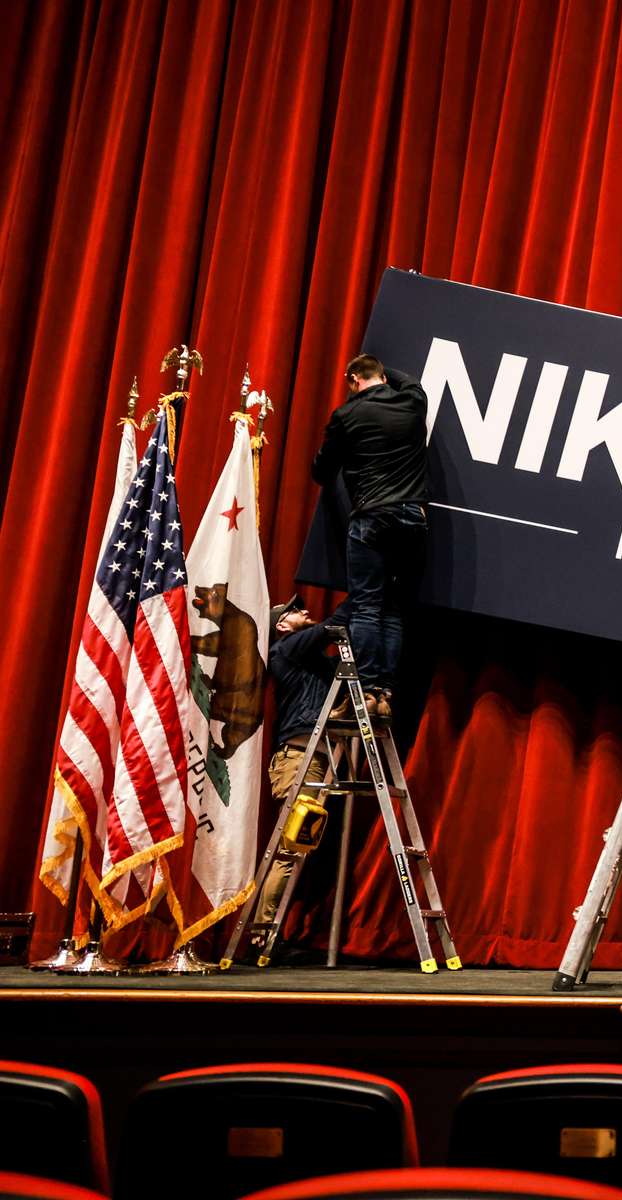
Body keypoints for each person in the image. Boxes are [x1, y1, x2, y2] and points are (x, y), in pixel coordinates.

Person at [311, 353, 429, 718]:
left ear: (351, 380)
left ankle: (363, 692)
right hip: (413, 517)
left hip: (372, 516)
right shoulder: (412, 400)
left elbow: (322, 470)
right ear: (381, 376)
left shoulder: (347, 415)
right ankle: (384, 694)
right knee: (392, 608)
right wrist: (380, 367)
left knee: (366, 606)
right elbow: (408, 379)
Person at [245, 594, 337, 943]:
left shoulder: (316, 662)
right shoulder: (285, 651)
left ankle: (266, 930)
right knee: (291, 847)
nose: (305, 611)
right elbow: (330, 628)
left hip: (316, 762)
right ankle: (261, 934)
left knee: (300, 847)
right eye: (296, 611)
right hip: (299, 760)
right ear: (282, 625)